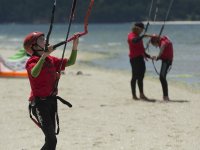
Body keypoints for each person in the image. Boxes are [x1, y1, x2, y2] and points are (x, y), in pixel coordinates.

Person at [24, 31, 79, 150]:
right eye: (41, 40)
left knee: (50, 139)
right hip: (39, 104)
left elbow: (71, 62)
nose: (45, 41)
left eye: (44, 39)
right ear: (33, 46)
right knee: (52, 140)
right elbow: (34, 73)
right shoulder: (31, 61)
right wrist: (44, 56)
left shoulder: (51, 59)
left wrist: (75, 45)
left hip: (51, 102)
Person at [127, 22, 152, 100]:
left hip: (140, 58)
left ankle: (141, 94)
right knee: (135, 76)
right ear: (137, 29)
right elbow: (134, 41)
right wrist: (143, 36)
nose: (142, 31)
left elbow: (141, 49)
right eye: (141, 29)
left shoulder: (138, 36)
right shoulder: (131, 35)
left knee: (141, 77)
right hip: (134, 59)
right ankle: (134, 95)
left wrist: (149, 56)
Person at [150, 34, 173, 101]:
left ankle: (166, 96)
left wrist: (157, 57)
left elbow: (162, 49)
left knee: (162, 77)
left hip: (167, 61)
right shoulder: (162, 39)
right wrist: (157, 57)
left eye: (155, 45)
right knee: (162, 77)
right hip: (165, 60)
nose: (156, 47)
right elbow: (162, 54)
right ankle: (165, 96)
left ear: (156, 41)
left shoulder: (163, 42)